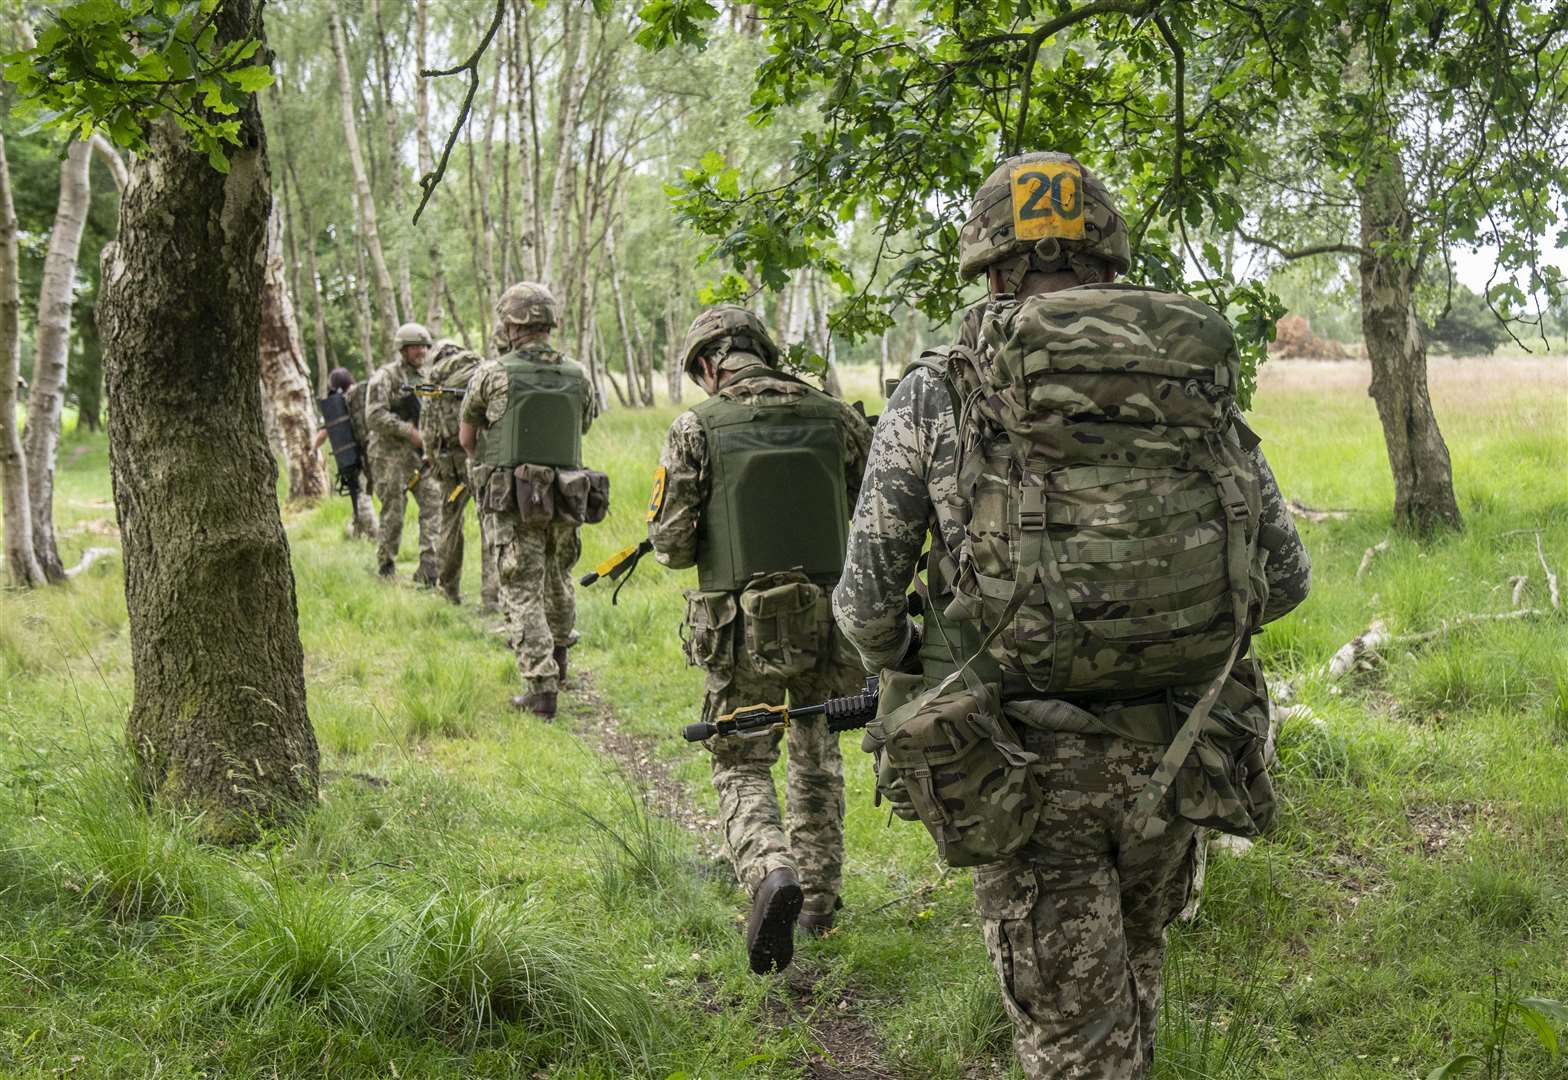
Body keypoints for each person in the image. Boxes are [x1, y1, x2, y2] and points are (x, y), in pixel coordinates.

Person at [832, 152, 1312, 1079]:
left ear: (994, 267)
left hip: (1017, 765)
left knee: (1069, 1042)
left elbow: (864, 602)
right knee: (1133, 971)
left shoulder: (943, 387)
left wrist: (917, 660)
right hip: (1180, 749)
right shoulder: (1188, 382)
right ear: (1109, 257)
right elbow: (1284, 580)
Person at [647, 305, 873, 975]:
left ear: (709, 363)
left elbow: (671, 545)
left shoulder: (696, 428)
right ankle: (819, 904)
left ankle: (770, 871)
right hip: (830, 622)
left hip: (739, 628)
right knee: (817, 748)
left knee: (741, 758)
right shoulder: (837, 416)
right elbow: (875, 517)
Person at [459, 282, 596, 718]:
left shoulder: (492, 373)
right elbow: (584, 425)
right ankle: (560, 664)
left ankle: (541, 690)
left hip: (515, 499)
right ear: (548, 322)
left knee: (521, 590)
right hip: (564, 495)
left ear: (511, 323)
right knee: (559, 580)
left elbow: (467, 437)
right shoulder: (578, 373)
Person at [419, 340, 497, 609]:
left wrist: (431, 457)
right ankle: (492, 597)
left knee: (450, 525)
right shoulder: (481, 370)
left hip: (450, 466)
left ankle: (449, 589)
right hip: (481, 458)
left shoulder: (434, 379)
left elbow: (427, 427)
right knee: (490, 525)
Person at [366, 322, 443, 582]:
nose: (421, 350)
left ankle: (429, 569)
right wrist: (408, 431)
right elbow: (374, 415)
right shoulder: (385, 377)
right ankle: (386, 566)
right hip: (389, 455)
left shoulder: (428, 377)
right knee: (394, 512)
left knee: (434, 504)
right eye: (415, 346)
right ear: (403, 349)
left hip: (420, 456)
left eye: (424, 346)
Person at [314, 366, 377, 539]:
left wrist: (314, 449)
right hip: (378, 448)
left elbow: (322, 435)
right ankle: (359, 530)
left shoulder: (338, 403)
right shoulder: (366, 394)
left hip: (355, 455)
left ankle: (373, 534)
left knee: (361, 494)